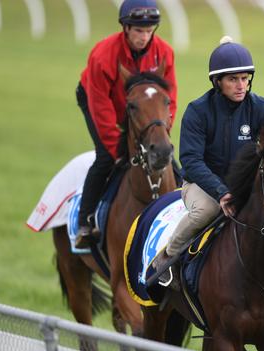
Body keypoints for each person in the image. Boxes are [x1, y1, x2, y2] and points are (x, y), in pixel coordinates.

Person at [154, 36, 264, 287]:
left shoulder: (261, 107)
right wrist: (221, 192)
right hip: (203, 186)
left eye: (245, 79)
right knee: (207, 210)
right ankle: (167, 257)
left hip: (246, 185)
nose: (241, 86)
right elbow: (190, 161)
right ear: (217, 82)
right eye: (233, 79)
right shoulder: (197, 111)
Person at [75, 0, 177, 248]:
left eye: (149, 30)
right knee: (106, 159)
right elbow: (101, 110)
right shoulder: (103, 55)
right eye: (138, 31)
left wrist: (159, 133)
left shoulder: (164, 52)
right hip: (99, 100)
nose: (144, 37)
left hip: (144, 110)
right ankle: (86, 221)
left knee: (170, 163)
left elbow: (169, 99)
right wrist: (117, 150)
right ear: (125, 28)